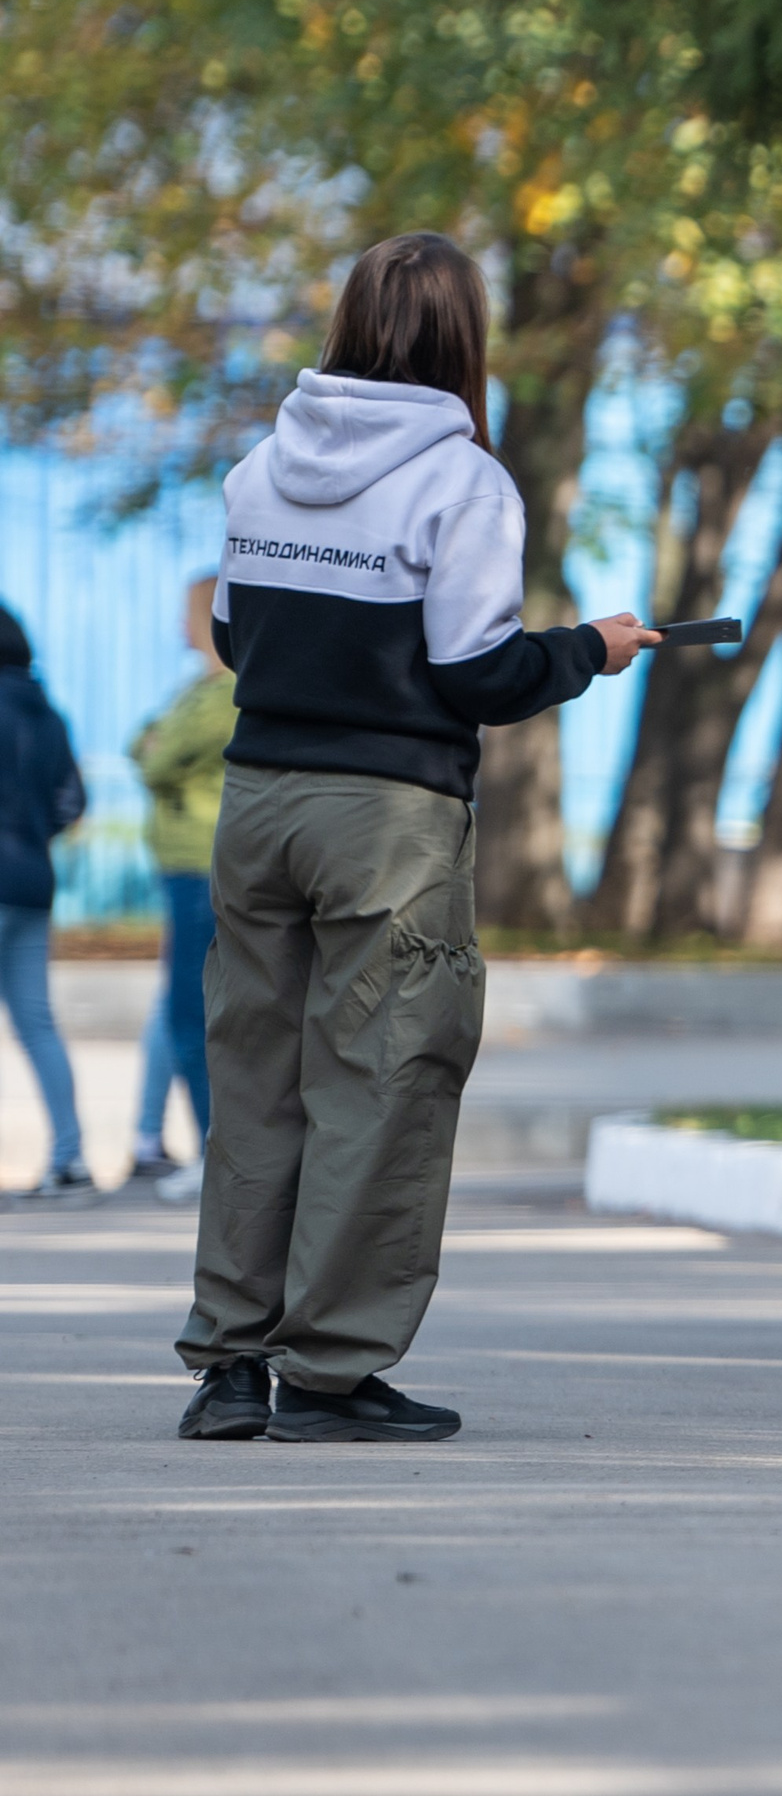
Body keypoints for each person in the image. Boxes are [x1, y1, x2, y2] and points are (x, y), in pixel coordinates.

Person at [174, 232, 658, 1444]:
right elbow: (479, 672)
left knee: (255, 1082)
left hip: (258, 805)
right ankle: (330, 1374)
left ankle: (229, 1366)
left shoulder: (259, 471)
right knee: (382, 1082)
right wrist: (587, 651)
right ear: (463, 339)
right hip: (384, 819)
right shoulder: (465, 483)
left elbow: (239, 644)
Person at [128, 576, 234, 1190]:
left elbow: (156, 757)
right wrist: (153, 745)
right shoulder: (198, 690)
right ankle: (200, 1146)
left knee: (191, 1014)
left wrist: (156, 746)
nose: (177, 627)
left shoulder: (224, 695)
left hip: (202, 867)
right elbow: (138, 744)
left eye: (185, 614)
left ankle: (211, 1154)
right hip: (182, 870)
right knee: (180, 1012)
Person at [0, 605, 92, 1200]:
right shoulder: (50, 713)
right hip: (34, 880)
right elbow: (73, 802)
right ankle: (69, 1159)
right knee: (37, 1022)